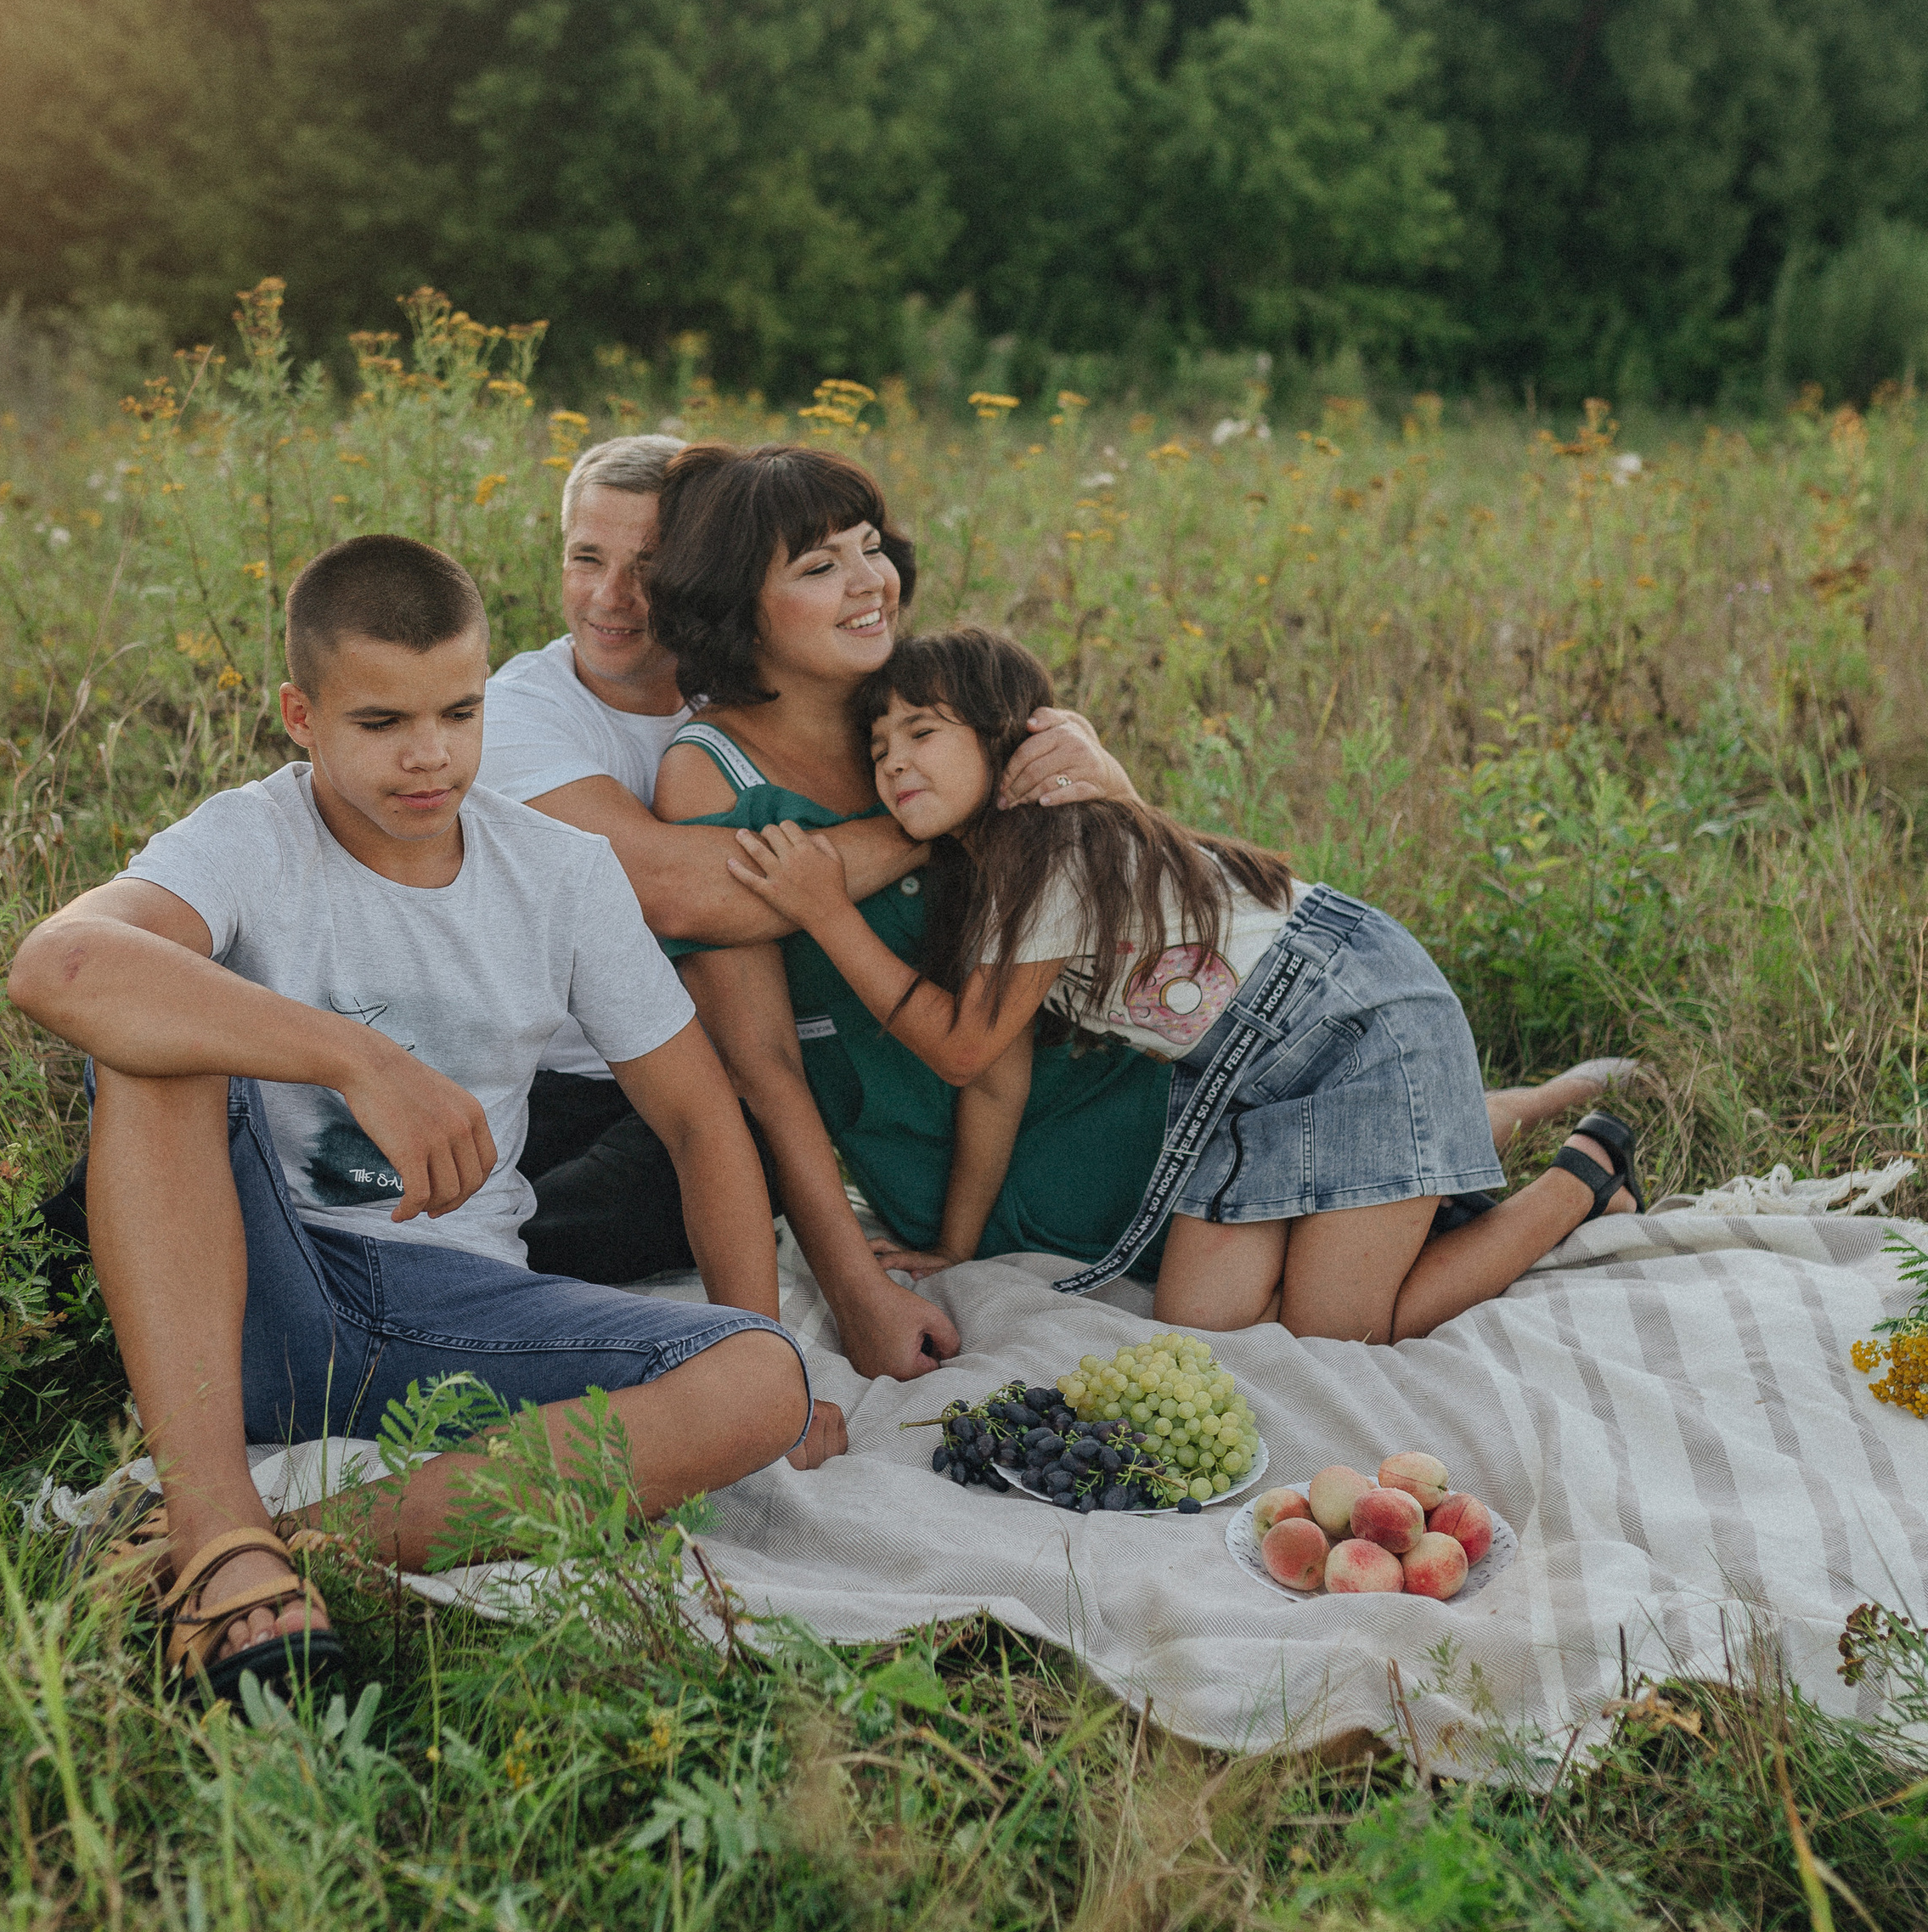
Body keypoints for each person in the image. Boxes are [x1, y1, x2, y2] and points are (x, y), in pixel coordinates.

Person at [5, 532, 832, 1700]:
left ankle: (290, 1552)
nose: (430, 757)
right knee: (155, 1032)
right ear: (301, 713)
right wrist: (361, 1059)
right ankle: (213, 1514)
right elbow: (60, 967)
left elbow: (701, 1118)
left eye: (459, 711)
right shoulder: (250, 835)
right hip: (244, 1281)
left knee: (761, 1376)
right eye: (381, 723)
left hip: (450, 1311)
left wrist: (767, 1356)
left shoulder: (560, 870)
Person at [724, 625, 1640, 1343]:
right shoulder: (992, 875)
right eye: (879, 745)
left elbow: (958, 1050)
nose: (892, 763)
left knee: (1347, 1326)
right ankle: (1490, 1115)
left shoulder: (1056, 851)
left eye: (921, 732)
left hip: (1361, 1025)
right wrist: (956, 1251)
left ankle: (1582, 1179)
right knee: (1202, 1317)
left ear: (1006, 738)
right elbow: (997, 1074)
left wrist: (826, 912)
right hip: (1248, 1080)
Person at [476, 430, 1136, 1283]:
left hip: (699, 1064)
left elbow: (1092, 860)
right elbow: (675, 893)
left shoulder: (813, 682)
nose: (615, 595)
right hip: (555, 1062)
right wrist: (953, 810)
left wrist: (1088, 768)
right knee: (500, 1219)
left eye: (648, 565)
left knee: (666, 1185)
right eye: (585, 558)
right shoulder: (528, 717)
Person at [643, 442, 1186, 1382]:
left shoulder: (935, 715)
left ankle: (1519, 1108)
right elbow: (766, 1069)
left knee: (1339, 1199)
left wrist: (1109, 782)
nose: (869, 584)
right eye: (819, 567)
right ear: (741, 611)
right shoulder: (709, 774)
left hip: (1101, 1099)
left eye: (870, 548)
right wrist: (855, 1293)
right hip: (932, 1179)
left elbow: (1123, 885)